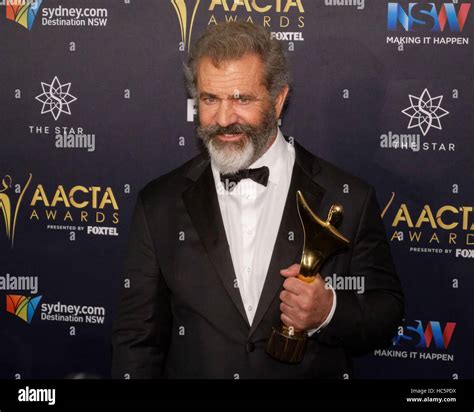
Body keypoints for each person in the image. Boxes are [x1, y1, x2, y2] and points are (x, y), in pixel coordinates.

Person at [111, 22, 403, 379]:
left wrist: (328, 311)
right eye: (209, 99)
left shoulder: (348, 197)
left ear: (278, 99)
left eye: (241, 99)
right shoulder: (158, 202)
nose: (223, 119)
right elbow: (137, 340)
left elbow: (385, 312)